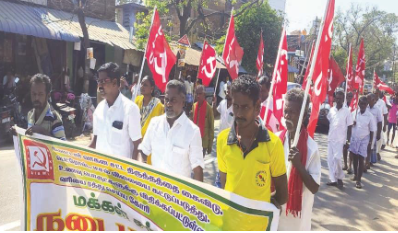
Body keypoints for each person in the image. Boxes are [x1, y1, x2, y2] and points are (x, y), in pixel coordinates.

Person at [217, 75, 288, 208]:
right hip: (230, 223)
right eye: (236, 106)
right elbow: (225, 184)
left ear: (257, 108)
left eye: (245, 107)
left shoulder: (273, 145)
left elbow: (283, 195)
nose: (238, 113)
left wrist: (263, 207)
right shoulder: (222, 140)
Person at [138, 80, 204, 181]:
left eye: (173, 100)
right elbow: (143, 151)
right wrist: (143, 170)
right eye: (166, 99)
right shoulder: (155, 123)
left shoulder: (193, 131)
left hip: (177, 194)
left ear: (183, 101)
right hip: (153, 191)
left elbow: (198, 170)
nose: (168, 104)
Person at [277, 88, 321, 231]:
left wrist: (299, 166)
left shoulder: (311, 147)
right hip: (276, 210)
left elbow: (314, 187)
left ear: (302, 116)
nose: (287, 116)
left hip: (296, 217)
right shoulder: (276, 140)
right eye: (286, 111)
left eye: (293, 112)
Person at [89, 63, 142, 160]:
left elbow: (137, 145)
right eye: (99, 81)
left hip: (121, 172)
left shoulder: (130, 109)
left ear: (114, 82)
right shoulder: (99, 110)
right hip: (101, 171)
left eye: (104, 81)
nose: (100, 85)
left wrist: (130, 172)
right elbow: (95, 141)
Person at [25, 74, 66, 140]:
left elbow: (62, 146)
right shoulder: (30, 114)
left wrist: (42, 132)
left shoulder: (54, 118)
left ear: (48, 95)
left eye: (40, 94)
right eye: (34, 94)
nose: (36, 98)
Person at [135, 76, 164, 164]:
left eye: (145, 85)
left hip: (149, 147)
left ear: (151, 88)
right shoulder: (137, 100)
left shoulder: (157, 105)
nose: (142, 86)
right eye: (141, 84)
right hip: (136, 143)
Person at [326, 91, 353, 186]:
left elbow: (350, 127)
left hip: (340, 140)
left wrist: (348, 140)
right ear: (335, 99)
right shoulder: (331, 110)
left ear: (343, 99)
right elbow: (329, 121)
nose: (338, 100)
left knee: (337, 159)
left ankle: (340, 177)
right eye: (337, 98)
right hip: (331, 138)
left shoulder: (347, 111)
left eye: (340, 98)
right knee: (330, 160)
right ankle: (333, 179)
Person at [349, 96, 375, 189]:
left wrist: (370, 142)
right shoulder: (354, 113)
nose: (363, 105)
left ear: (367, 104)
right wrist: (352, 123)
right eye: (361, 103)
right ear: (358, 104)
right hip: (355, 139)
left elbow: (372, 130)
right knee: (355, 159)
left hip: (364, 140)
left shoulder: (370, 116)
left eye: (365, 104)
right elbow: (349, 125)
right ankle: (355, 174)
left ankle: (358, 180)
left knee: (361, 159)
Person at [192, 85, 214, 156]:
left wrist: (210, 146)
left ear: (204, 94)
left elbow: (211, 128)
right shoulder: (194, 106)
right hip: (193, 141)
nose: (198, 96)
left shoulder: (209, 108)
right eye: (196, 93)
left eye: (200, 94)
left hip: (203, 143)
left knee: (199, 164)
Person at [367, 93, 383, 168]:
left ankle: (369, 162)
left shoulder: (377, 109)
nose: (367, 100)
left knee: (371, 146)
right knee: (366, 146)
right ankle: (366, 161)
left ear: (373, 100)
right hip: (365, 130)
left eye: (369, 99)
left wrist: (379, 133)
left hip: (373, 131)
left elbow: (380, 122)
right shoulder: (365, 107)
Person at [375, 90, 388, 159]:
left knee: (379, 138)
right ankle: (372, 154)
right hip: (372, 124)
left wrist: (385, 125)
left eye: (377, 93)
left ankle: (377, 152)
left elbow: (385, 114)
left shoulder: (382, 102)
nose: (376, 94)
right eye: (375, 93)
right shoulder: (370, 101)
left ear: (380, 94)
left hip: (380, 124)